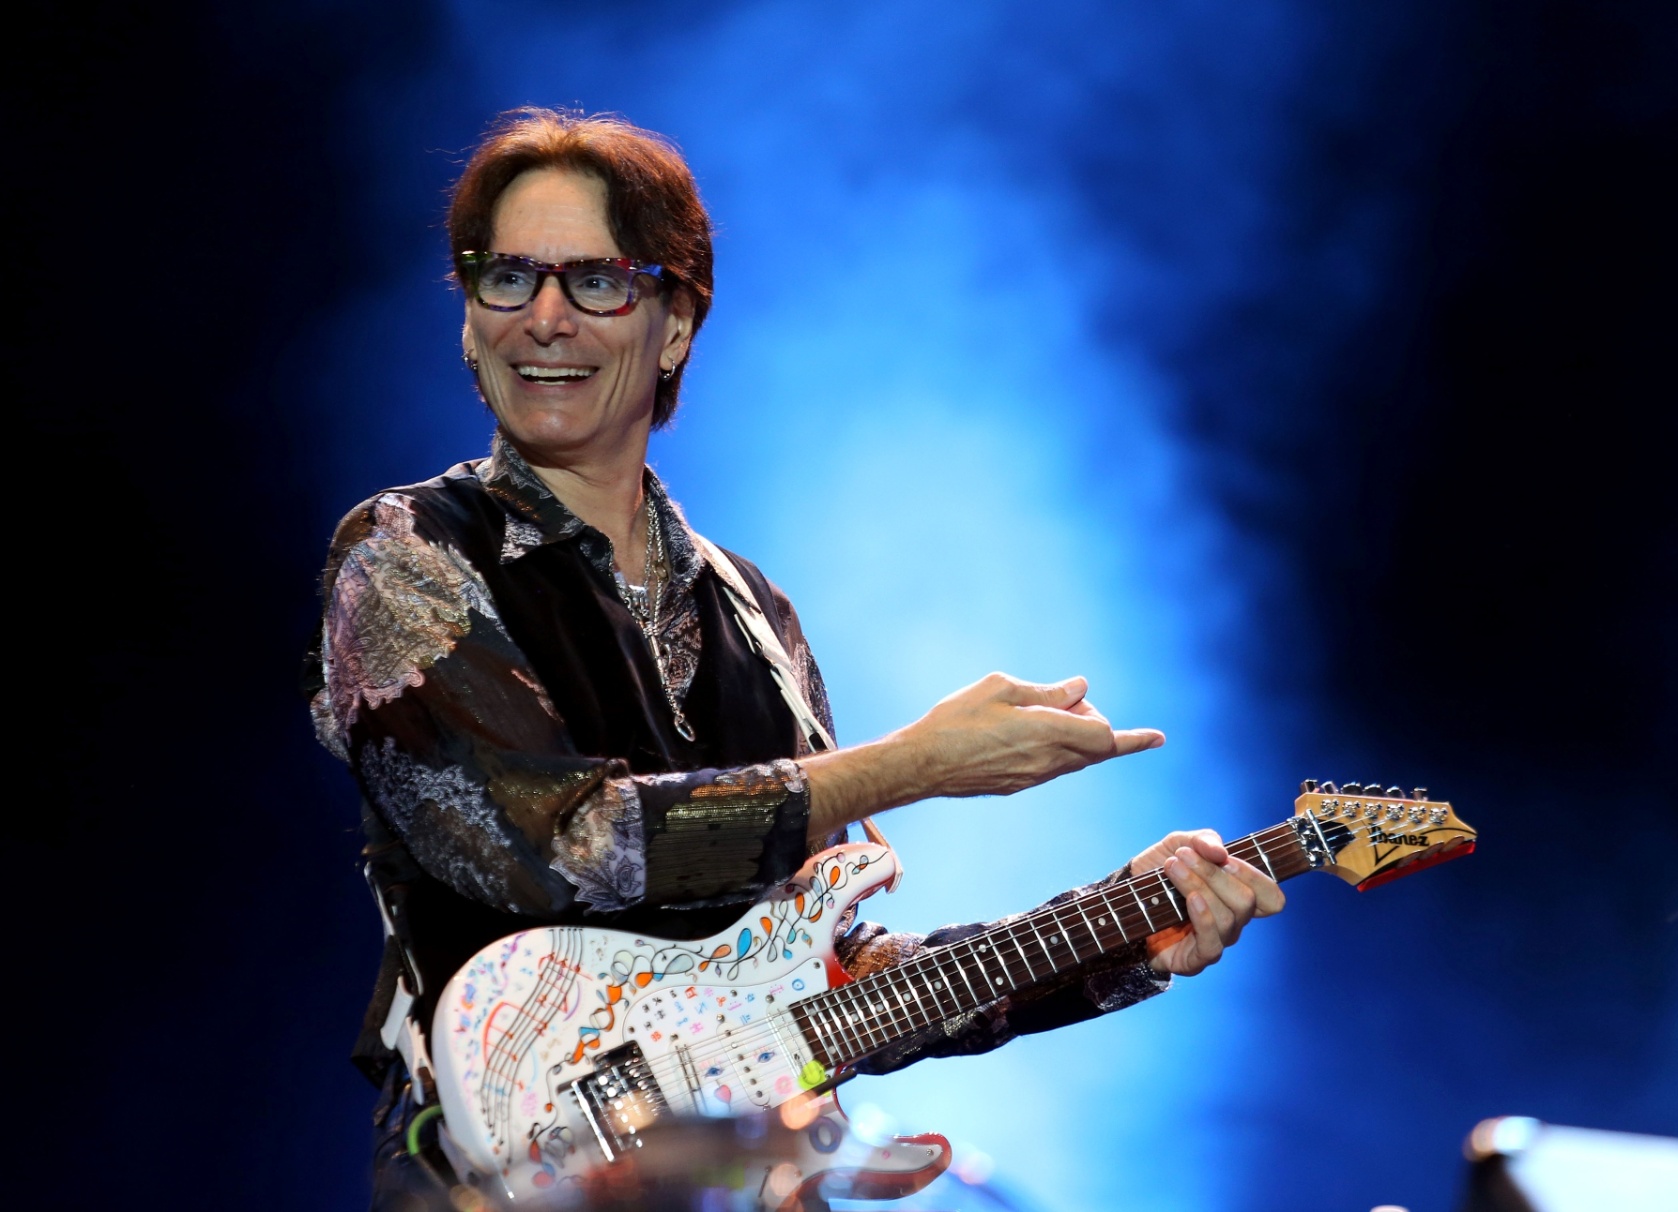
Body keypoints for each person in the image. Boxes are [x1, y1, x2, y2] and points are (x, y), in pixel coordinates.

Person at [304, 108, 1283, 1208]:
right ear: (469, 319)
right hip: (500, 1178)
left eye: (596, 282)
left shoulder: (758, 617)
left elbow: (827, 981)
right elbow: (560, 846)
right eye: (507, 278)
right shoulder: (408, 554)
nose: (543, 317)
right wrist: (913, 765)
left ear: (676, 324)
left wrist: (1121, 933)